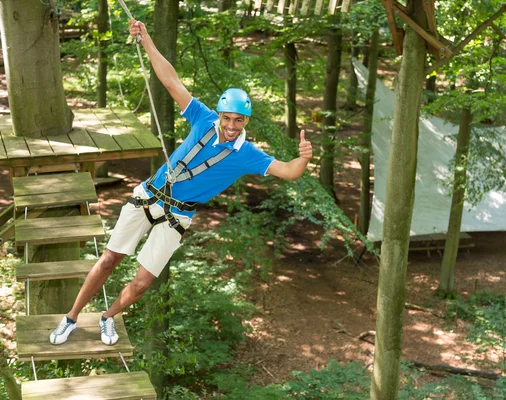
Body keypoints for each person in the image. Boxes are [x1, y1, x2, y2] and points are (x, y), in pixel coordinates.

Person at [49, 20, 312, 346]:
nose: (231, 125)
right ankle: (71, 317)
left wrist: (303, 158)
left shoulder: (248, 154)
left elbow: (288, 171)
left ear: (246, 121)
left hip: (178, 216)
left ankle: (107, 317)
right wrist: (145, 38)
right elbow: (169, 79)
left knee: (143, 283)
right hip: (149, 197)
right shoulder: (202, 118)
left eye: (238, 120)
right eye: (227, 117)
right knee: (108, 260)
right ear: (219, 115)